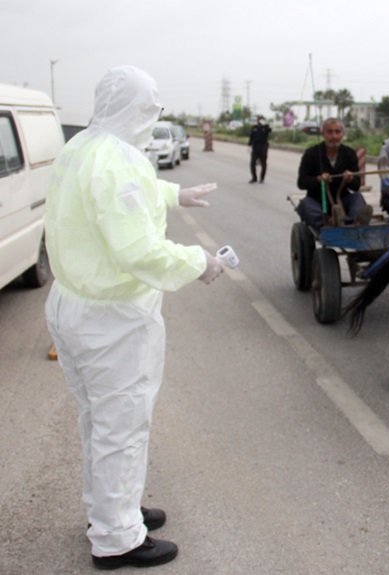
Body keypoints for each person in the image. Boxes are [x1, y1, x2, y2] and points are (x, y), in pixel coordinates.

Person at [44, 65, 224, 570]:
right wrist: (199, 262)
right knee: (120, 426)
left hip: (73, 305)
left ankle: (113, 509)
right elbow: (138, 250)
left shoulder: (82, 145)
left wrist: (174, 194)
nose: (154, 116)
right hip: (112, 321)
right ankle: (117, 538)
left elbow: (109, 202)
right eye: (152, 108)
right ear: (139, 110)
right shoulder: (118, 161)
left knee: (99, 421)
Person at [296, 118, 372, 229]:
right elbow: (301, 183)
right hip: (318, 201)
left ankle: (350, 221)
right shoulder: (311, 153)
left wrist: (350, 179)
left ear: (342, 134)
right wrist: (318, 179)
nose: (334, 136)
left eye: (337, 132)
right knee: (306, 204)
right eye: (330, 132)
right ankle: (328, 222)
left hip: (342, 200)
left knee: (357, 198)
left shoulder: (349, 154)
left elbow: (356, 185)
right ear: (323, 134)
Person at [248, 115, 272, 183]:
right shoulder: (254, 128)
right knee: (252, 163)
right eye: (260, 119)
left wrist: (265, 125)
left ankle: (262, 178)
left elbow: (270, 130)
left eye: (262, 119)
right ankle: (254, 177)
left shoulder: (266, 128)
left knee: (263, 163)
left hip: (263, 147)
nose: (261, 120)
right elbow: (251, 137)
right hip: (255, 147)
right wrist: (249, 145)